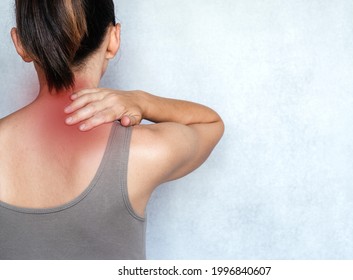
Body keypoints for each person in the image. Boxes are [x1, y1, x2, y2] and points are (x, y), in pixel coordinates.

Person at [0, 0, 224, 260]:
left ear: (21, 43)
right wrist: (143, 101)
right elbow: (210, 124)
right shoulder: (142, 152)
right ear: (114, 39)